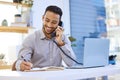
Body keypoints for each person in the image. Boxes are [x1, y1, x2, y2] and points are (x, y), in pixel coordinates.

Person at [13, 5, 76, 71]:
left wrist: (60, 43)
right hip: (37, 77)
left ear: (59, 24)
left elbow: (71, 63)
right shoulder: (31, 39)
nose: (49, 25)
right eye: (47, 20)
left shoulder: (63, 39)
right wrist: (21, 65)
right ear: (43, 18)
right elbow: (21, 60)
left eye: (54, 22)